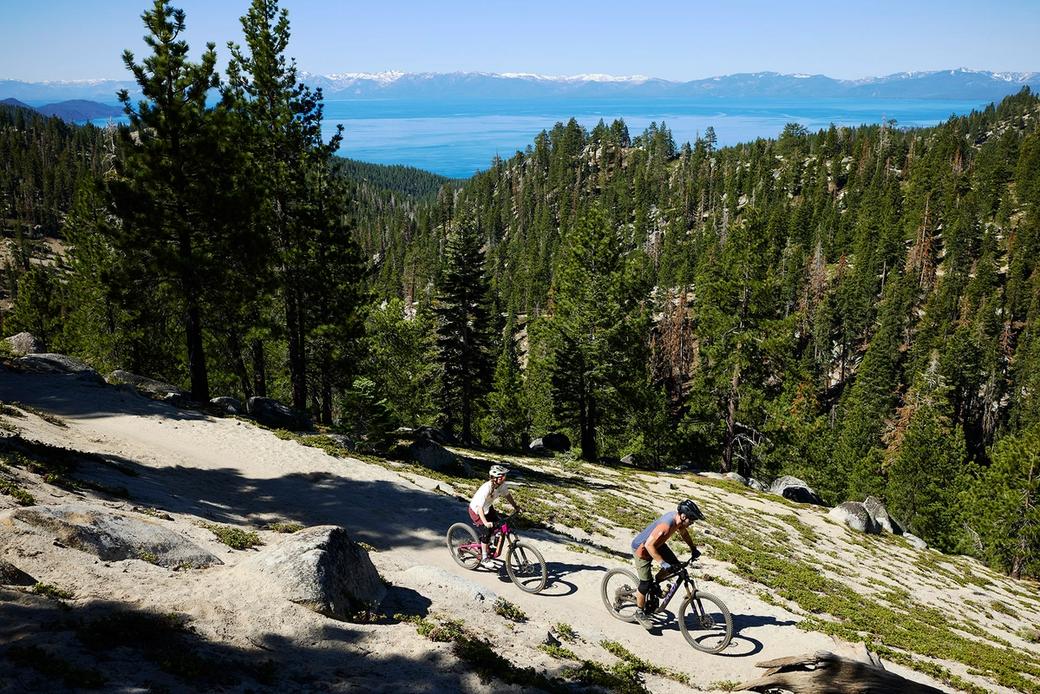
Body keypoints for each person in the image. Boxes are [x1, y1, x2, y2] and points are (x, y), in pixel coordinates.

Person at [629, 498, 703, 630]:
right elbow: (649, 545)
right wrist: (662, 562)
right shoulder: (666, 525)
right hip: (642, 549)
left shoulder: (679, 521)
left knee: (675, 565)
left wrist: (693, 548)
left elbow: (684, 534)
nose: (692, 523)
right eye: (691, 520)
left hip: (658, 545)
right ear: (683, 516)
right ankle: (639, 612)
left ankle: (656, 583)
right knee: (645, 584)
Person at [468, 464, 521, 568]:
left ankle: (488, 542)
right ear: (496, 478)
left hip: (488, 508)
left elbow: (507, 495)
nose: (504, 478)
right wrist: (485, 523)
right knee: (486, 531)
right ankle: (484, 558)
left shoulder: (501, 485)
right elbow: (479, 508)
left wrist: (516, 507)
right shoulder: (486, 488)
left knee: (500, 526)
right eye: (502, 476)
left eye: (504, 476)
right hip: (476, 511)